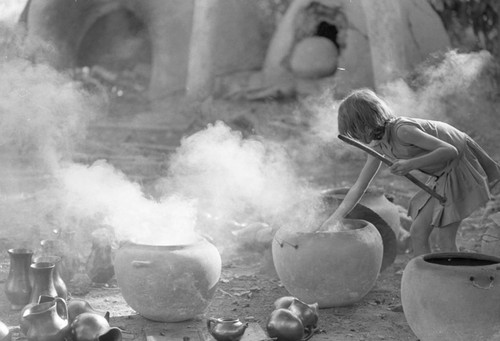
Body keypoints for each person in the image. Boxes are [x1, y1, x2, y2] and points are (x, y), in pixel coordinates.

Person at [320, 88, 500, 256]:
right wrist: (334, 219)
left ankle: (456, 282)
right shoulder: (378, 145)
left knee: (444, 239)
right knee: (418, 231)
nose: (357, 139)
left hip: (458, 166)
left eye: (355, 132)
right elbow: (359, 187)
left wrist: (411, 164)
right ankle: (426, 278)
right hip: (442, 175)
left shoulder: (403, 131)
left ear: (365, 123)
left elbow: (449, 150)